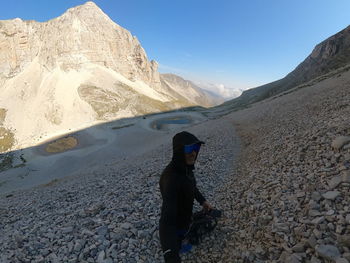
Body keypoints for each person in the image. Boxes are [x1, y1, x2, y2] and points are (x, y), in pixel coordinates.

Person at [159, 131, 213, 263]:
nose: (193, 153)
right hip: (176, 224)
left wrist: (203, 201)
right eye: (189, 148)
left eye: (196, 148)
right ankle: (178, 242)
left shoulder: (185, 168)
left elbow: (191, 187)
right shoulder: (171, 179)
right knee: (177, 240)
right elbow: (166, 220)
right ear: (178, 151)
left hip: (185, 216)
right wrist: (170, 255)